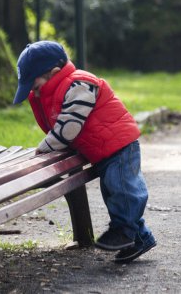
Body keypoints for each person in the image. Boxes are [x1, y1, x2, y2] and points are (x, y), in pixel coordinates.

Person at [13, 40, 156, 263]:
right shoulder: (57, 90)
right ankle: (140, 238)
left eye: (36, 86)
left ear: (54, 73)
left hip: (119, 147)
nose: (35, 93)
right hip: (103, 151)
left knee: (123, 190)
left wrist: (43, 149)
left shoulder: (79, 84)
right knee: (112, 192)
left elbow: (69, 126)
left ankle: (123, 231)